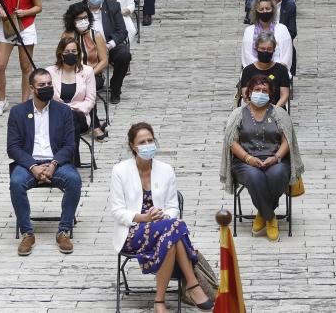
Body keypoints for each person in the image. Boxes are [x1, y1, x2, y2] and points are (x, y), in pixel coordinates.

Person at [110, 123, 214, 313]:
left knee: (171, 234)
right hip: (132, 232)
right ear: (133, 146)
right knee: (175, 229)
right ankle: (192, 285)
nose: (147, 144)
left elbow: (173, 207)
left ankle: (160, 301)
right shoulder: (120, 171)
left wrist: (162, 215)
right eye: (142, 142)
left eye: (150, 140)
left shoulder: (166, 170)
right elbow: (117, 212)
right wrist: (143, 217)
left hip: (164, 228)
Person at [7, 69, 82, 256]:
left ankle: (63, 231)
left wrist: (54, 164)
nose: (47, 88)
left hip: (57, 163)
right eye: (42, 85)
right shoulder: (18, 112)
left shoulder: (63, 111)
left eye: (49, 84)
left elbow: (70, 145)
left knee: (74, 180)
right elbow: (13, 147)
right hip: (29, 164)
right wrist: (33, 166)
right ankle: (27, 233)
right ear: (32, 88)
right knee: (16, 182)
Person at [220, 79, 304, 243]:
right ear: (249, 92)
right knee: (255, 176)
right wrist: (248, 158)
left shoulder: (279, 113)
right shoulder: (238, 114)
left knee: (278, 174)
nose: (260, 93)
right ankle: (270, 217)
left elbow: (288, 140)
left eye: (264, 91)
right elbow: (231, 141)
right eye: (257, 89)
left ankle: (262, 214)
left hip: (275, 160)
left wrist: (276, 157)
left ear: (270, 94)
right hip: (244, 162)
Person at [47, 35, 100, 154]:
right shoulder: (50, 72)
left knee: (72, 118)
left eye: (74, 51)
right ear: (61, 54)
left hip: (80, 115)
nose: (70, 54)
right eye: (67, 52)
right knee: (69, 122)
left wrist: (69, 108)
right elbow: (46, 99)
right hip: (56, 116)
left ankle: (65, 157)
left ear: (78, 53)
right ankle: (72, 159)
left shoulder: (87, 71)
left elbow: (90, 100)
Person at [83, 0, 132, 103]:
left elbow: (122, 31)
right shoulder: (78, 8)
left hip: (108, 46)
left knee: (124, 54)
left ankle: (115, 88)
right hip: (86, 49)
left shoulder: (113, 7)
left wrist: (109, 45)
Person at [61, 2, 111, 100]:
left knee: (80, 87)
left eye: (85, 17)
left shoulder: (96, 36)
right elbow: (61, 57)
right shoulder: (66, 36)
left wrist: (89, 74)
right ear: (72, 20)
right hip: (71, 74)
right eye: (79, 19)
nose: (83, 21)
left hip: (93, 75)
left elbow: (104, 61)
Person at [241, 0, 293, 69]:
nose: (265, 11)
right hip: (254, 72)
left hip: (278, 71)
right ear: (256, 11)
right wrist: (259, 69)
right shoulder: (249, 30)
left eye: (268, 9)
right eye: (261, 9)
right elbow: (247, 55)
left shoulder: (282, 29)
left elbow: (287, 55)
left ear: (273, 10)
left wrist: (276, 70)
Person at [239, 41, 291, 108]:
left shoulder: (281, 70)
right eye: (262, 49)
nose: (265, 52)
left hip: (277, 109)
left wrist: (274, 110)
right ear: (257, 49)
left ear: (274, 50)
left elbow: (285, 94)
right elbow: (245, 95)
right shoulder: (248, 70)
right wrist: (254, 110)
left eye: (269, 49)